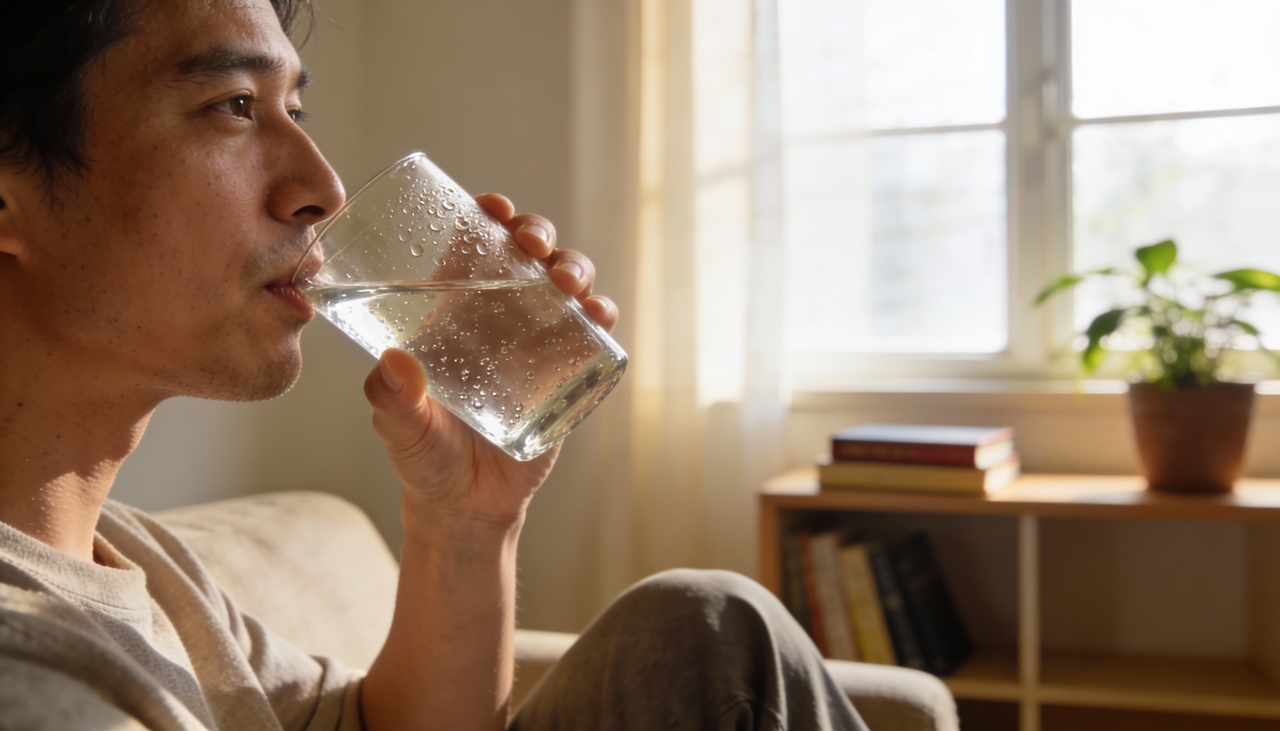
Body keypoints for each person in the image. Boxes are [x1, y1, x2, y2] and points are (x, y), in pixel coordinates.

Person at [0, 1, 869, 729]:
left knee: (706, 628)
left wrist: (468, 517)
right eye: (233, 105)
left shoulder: (143, 564)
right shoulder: (34, 677)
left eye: (293, 109)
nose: (324, 187)